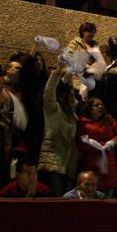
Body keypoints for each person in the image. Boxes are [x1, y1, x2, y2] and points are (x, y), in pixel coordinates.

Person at [37, 64, 79, 197]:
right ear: (63, 96)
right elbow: (48, 93)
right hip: (51, 164)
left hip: (65, 167)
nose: (73, 99)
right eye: (70, 96)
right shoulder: (54, 110)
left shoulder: (72, 116)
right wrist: (56, 74)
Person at [77, 98, 117, 196]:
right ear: (89, 108)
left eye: (101, 105)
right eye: (96, 105)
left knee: (108, 198)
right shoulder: (83, 123)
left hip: (109, 166)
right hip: (92, 165)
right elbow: (81, 144)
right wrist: (101, 146)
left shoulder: (109, 120)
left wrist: (114, 141)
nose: (100, 107)